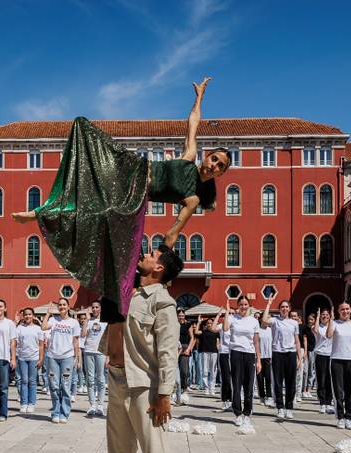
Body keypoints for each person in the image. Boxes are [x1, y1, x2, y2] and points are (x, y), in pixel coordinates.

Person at [12, 78, 228, 322]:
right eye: (214, 159)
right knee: (83, 128)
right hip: (131, 168)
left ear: (220, 174)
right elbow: (193, 122)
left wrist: (163, 267)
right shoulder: (189, 157)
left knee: (96, 212)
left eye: (220, 166)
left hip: (135, 195)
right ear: (207, 157)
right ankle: (48, 210)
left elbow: (174, 231)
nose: (214, 165)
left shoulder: (193, 199)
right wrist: (199, 97)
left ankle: (42, 214)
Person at [105, 245, 182, 453]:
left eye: (152, 254)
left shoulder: (162, 303)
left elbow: (167, 352)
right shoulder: (130, 292)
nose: (145, 254)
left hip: (143, 386)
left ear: (159, 268)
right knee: (120, 452)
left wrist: (164, 394)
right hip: (116, 378)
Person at [220, 296, 261, 427]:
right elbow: (225, 328)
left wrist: (259, 360)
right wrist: (227, 311)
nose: (243, 306)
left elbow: (256, 341)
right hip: (236, 353)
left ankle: (247, 414)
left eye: (245, 304)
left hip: (250, 354)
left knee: (249, 386)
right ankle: (237, 413)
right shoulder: (232, 318)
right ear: (238, 305)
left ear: (249, 306)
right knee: (236, 384)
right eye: (241, 304)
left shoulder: (254, 321)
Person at [41, 298, 82, 423]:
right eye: (60, 305)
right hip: (53, 356)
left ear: (68, 307)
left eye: (64, 305)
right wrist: (48, 314)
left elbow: (76, 341)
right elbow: (43, 327)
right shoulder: (53, 320)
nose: (62, 307)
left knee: (65, 385)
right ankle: (55, 412)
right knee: (53, 386)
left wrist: (77, 358)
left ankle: (64, 413)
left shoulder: (73, 322)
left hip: (67, 357)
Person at [326, 303, 351, 429]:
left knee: (350, 391)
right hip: (337, 360)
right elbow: (329, 335)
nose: (345, 311)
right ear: (338, 311)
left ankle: (349, 417)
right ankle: (340, 417)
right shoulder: (335, 323)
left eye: (347, 309)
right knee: (338, 391)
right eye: (342, 309)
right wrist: (331, 320)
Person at [262, 299, 301, 420]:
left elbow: (297, 341)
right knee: (278, 382)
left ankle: (289, 408)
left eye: (286, 307)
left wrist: (299, 357)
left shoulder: (294, 323)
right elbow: (263, 322)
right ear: (279, 309)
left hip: (291, 353)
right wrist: (268, 304)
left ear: (289, 309)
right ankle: (280, 407)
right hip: (278, 353)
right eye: (282, 307)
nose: (284, 309)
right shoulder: (274, 320)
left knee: (291, 383)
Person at [15, 308, 45, 414]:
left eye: (29, 314)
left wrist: (41, 359)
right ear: (23, 316)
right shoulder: (19, 328)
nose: (28, 316)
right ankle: (23, 403)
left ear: (33, 316)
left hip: (34, 358)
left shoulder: (38, 329)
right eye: (26, 315)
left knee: (32, 381)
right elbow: (16, 343)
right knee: (23, 381)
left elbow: (41, 345)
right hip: (22, 358)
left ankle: (31, 404)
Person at [81, 301, 108, 416]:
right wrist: (86, 321)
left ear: (101, 308)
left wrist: (108, 356)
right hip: (88, 351)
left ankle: (100, 405)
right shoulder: (89, 321)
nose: (95, 309)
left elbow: (109, 339)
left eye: (97, 307)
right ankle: (92, 405)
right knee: (90, 379)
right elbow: (83, 335)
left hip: (101, 352)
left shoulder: (106, 322)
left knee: (101, 379)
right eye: (93, 307)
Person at [313, 308, 334, 415]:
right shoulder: (317, 327)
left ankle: (328, 403)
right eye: (323, 315)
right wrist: (317, 317)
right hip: (320, 355)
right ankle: (322, 403)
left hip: (331, 355)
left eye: (327, 315)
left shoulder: (333, 326)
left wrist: (332, 319)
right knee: (321, 380)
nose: (325, 316)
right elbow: (315, 331)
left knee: (329, 380)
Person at [214, 306, 232, 412]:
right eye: (228, 313)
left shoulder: (235, 325)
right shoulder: (221, 326)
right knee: (225, 378)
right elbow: (212, 328)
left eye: (231, 313)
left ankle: (235, 401)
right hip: (224, 353)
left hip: (234, 353)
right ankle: (226, 400)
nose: (230, 315)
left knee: (235, 378)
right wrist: (219, 315)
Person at [196, 317, 219, 396]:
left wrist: (218, 351)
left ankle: (212, 389)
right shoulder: (203, 332)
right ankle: (206, 388)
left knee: (213, 371)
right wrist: (199, 322)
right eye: (208, 323)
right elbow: (196, 332)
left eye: (211, 323)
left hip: (214, 352)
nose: (209, 324)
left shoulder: (216, 332)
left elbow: (218, 343)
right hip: (205, 352)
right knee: (205, 371)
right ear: (206, 324)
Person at [176, 309, 194, 404]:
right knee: (175, 369)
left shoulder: (188, 325)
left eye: (183, 315)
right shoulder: (174, 324)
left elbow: (192, 338)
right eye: (179, 315)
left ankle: (184, 388)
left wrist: (189, 349)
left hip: (185, 347)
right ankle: (175, 389)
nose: (181, 317)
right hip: (175, 347)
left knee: (184, 370)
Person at [256, 311, 274, 408]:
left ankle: (269, 397)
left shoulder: (271, 330)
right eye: (266, 318)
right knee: (259, 378)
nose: (268, 320)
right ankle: (261, 397)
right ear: (261, 319)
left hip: (269, 357)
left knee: (268, 378)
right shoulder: (257, 330)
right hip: (259, 357)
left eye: (269, 318)